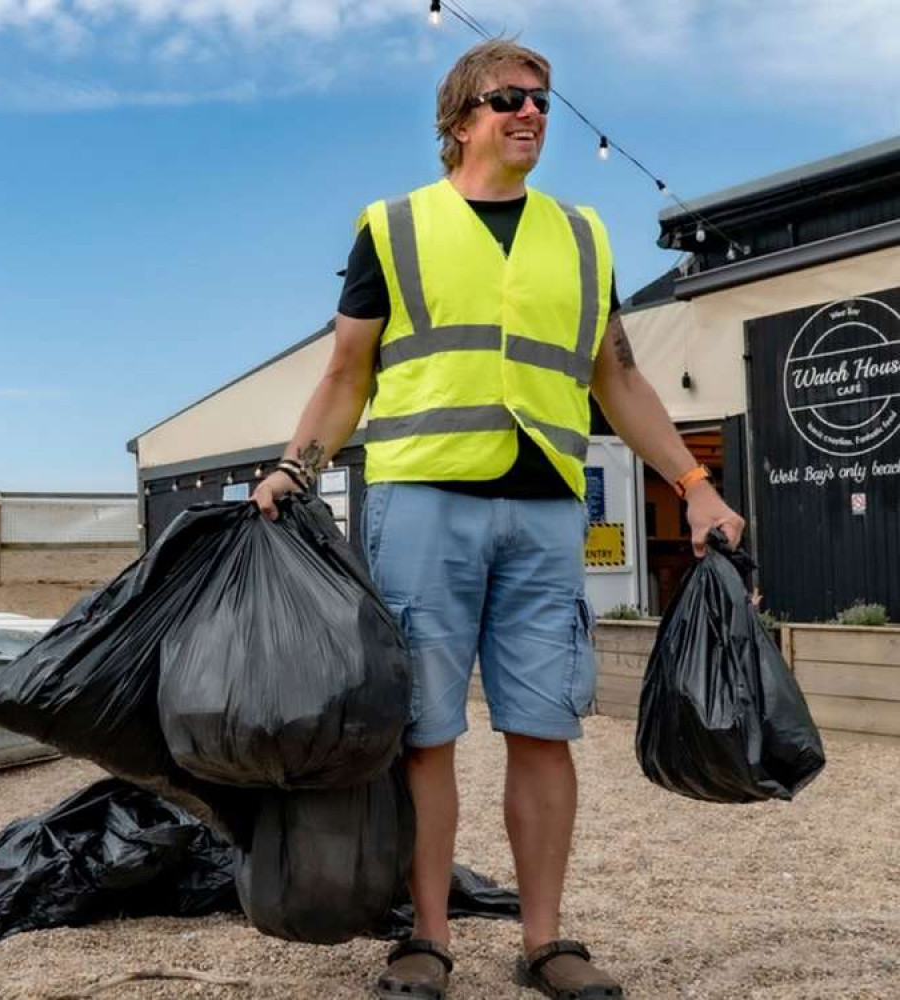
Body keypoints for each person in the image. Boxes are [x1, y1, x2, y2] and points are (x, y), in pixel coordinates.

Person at [254, 39, 744, 1000]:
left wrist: (695, 482)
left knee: (541, 726)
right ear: (459, 118)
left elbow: (622, 381)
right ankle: (427, 940)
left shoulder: (583, 237)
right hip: (422, 500)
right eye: (509, 97)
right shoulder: (394, 230)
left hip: (544, 510)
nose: (531, 113)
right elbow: (346, 374)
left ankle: (545, 942)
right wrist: (290, 468)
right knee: (424, 733)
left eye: (544, 101)